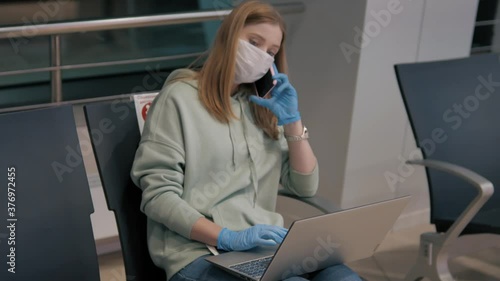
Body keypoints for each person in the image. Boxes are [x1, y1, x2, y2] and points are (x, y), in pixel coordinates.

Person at [130, 1, 363, 280]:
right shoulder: (179, 99)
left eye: (271, 52)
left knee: (344, 278)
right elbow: (158, 197)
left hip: (266, 249)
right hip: (199, 253)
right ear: (229, 37)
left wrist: (293, 120)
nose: (262, 56)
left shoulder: (262, 108)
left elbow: (304, 186)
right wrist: (227, 237)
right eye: (254, 42)